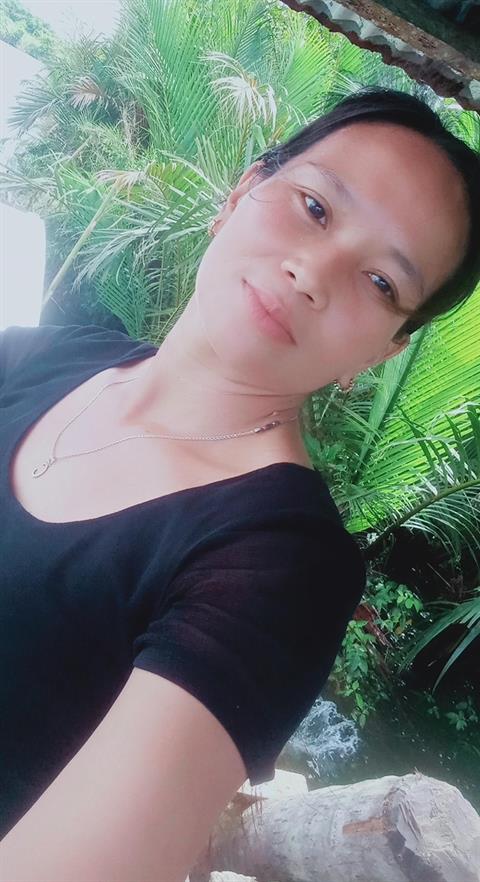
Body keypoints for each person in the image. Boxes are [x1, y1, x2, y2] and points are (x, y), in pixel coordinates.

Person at [0, 87, 479, 882]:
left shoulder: (279, 566)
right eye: (314, 207)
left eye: (381, 282)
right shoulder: (34, 356)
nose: (312, 272)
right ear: (241, 192)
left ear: (386, 350)